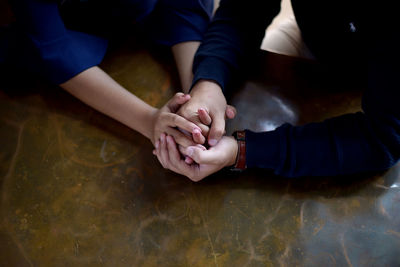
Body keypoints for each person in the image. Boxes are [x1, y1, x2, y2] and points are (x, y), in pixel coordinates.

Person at [154, 0, 400, 181]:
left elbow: (382, 140)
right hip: (314, 43)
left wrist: (242, 151)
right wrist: (208, 83)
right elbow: (244, 11)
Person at [0, 0, 216, 146]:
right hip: (68, 25)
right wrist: (149, 121)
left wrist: (197, 95)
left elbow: (186, 5)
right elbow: (53, 47)